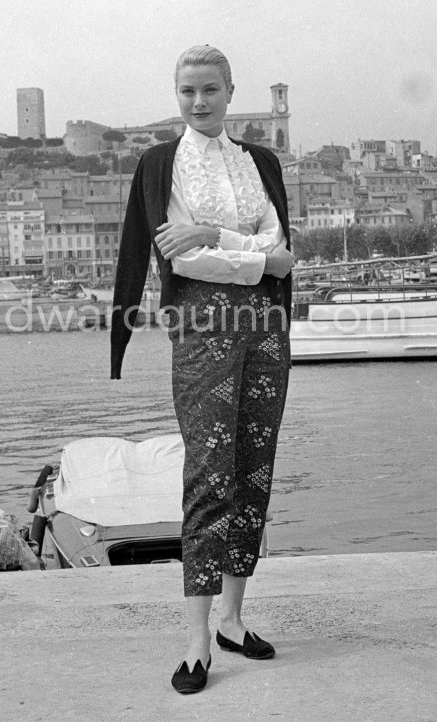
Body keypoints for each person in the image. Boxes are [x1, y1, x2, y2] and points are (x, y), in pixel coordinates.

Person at [111, 45, 294, 694]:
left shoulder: (260, 162)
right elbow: (181, 261)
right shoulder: (164, 166)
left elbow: (283, 257)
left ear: (230, 91)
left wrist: (216, 238)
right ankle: (195, 641)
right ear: (177, 93)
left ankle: (232, 619)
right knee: (209, 475)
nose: (199, 101)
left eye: (210, 89)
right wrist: (247, 253)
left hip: (265, 331)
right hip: (202, 331)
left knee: (253, 468)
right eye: (187, 90)